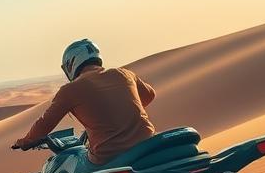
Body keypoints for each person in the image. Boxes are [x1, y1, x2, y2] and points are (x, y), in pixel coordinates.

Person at [12, 39, 157, 166]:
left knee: (72, 168)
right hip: (148, 146)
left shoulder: (70, 90)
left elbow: (44, 124)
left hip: (108, 157)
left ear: (71, 64)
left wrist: (24, 142)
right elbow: (149, 95)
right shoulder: (124, 74)